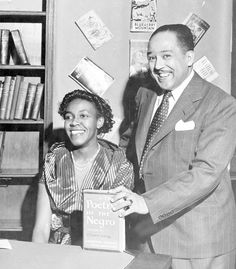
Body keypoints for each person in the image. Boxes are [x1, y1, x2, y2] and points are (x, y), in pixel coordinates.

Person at [110, 24, 236, 269]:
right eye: (152, 57)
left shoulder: (221, 104)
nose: (157, 65)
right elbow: (130, 145)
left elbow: (206, 174)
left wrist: (146, 202)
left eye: (167, 56)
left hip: (197, 241)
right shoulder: (145, 95)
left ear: (189, 58)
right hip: (147, 233)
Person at [32, 89, 134, 245]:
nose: (74, 122)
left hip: (100, 252)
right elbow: (41, 229)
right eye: (68, 117)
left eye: (83, 116)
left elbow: (114, 232)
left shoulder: (119, 163)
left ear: (99, 121)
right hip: (55, 253)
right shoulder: (53, 159)